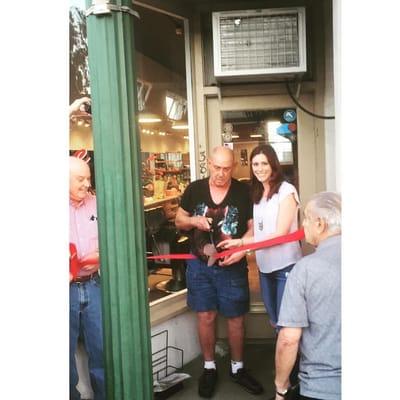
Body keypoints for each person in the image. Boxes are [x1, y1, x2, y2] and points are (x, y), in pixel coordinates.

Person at [175, 146, 263, 398]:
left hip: (232, 266)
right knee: (206, 316)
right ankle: (209, 368)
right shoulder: (195, 189)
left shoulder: (243, 191)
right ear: (209, 164)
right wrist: (194, 221)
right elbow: (179, 221)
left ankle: (237, 368)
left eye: (226, 168)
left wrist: (242, 250)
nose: (221, 173)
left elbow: (252, 229)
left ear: (233, 167)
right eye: (216, 167)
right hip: (199, 266)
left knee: (235, 318)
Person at [218, 144, 302, 331]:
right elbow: (259, 229)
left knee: (286, 322)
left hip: (285, 266)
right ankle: (285, 358)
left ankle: (294, 360)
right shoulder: (257, 193)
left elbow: (279, 235)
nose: (259, 168)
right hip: (265, 267)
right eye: (255, 164)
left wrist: (242, 242)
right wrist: (239, 248)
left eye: (264, 163)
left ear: (273, 165)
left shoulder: (286, 191)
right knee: (273, 319)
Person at [274, 192, 341, 400]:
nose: (303, 225)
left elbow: (288, 339)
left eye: (306, 219)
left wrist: (281, 387)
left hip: (321, 388)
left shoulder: (305, 269)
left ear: (320, 224)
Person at [70, 155, 105, 400]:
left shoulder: (98, 204)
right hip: (65, 290)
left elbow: (114, 241)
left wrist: (102, 255)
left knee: (102, 351)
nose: (86, 184)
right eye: (80, 179)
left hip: (94, 284)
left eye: (88, 179)